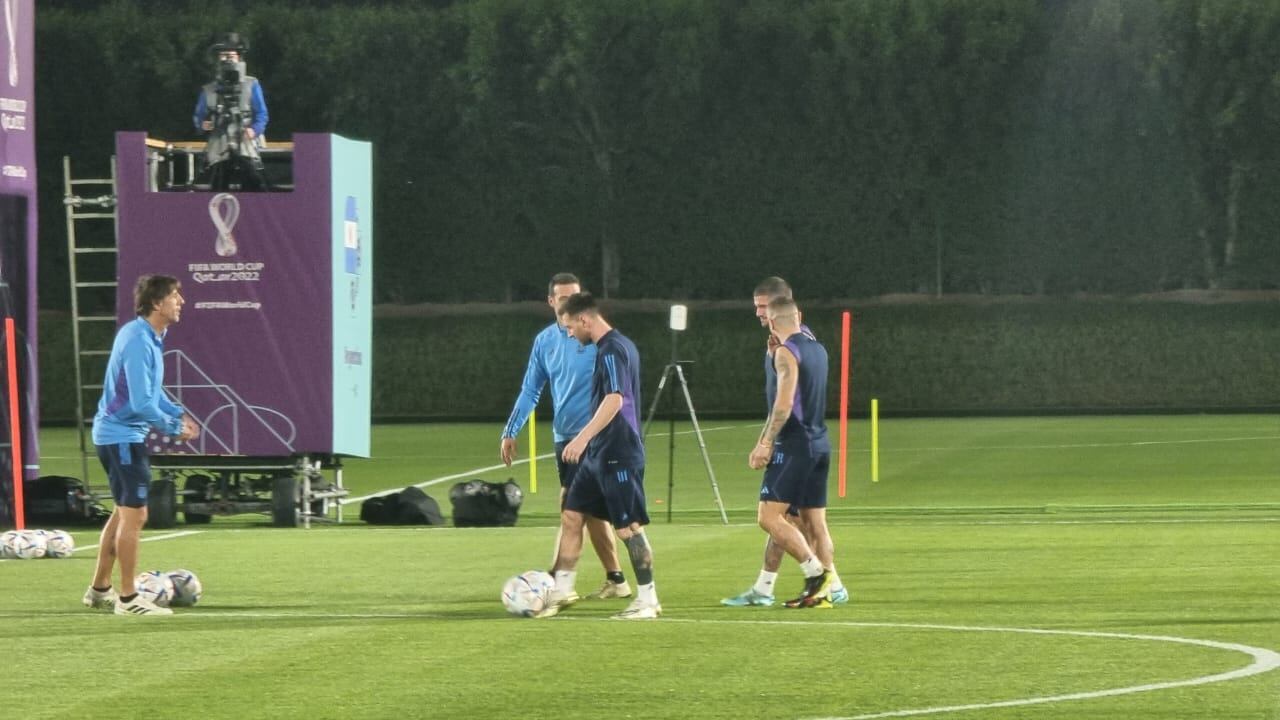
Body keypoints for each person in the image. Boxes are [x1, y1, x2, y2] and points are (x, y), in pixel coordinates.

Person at [500, 273, 630, 601]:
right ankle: (617, 580)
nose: (569, 302)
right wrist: (510, 430)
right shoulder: (545, 342)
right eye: (562, 298)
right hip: (565, 439)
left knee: (572, 508)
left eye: (574, 296)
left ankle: (557, 582)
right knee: (592, 513)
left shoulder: (598, 339)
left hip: (597, 438)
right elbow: (531, 388)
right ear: (551, 302)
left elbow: (618, 391)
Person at [722, 277, 848, 606]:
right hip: (819, 441)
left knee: (768, 517)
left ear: (778, 310)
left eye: (763, 308)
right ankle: (823, 590)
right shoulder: (814, 345)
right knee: (809, 521)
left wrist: (765, 442)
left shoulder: (786, 353)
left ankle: (818, 575)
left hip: (794, 444)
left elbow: (784, 404)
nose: (758, 314)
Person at [83, 275, 199, 616]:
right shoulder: (137, 340)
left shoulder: (148, 336)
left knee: (123, 513)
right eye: (175, 296)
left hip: (119, 435)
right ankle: (129, 598)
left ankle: (99, 589)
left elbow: (151, 394)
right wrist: (171, 427)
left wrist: (176, 413)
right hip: (121, 438)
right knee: (136, 516)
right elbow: (139, 402)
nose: (181, 301)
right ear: (156, 304)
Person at [539, 293, 660, 620]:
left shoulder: (612, 349)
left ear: (584, 320)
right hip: (599, 454)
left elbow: (615, 400)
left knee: (628, 528)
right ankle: (562, 590)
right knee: (572, 514)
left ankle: (648, 600)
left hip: (618, 452)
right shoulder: (615, 347)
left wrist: (581, 438)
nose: (569, 334)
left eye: (569, 327)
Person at [193, 32, 269, 191]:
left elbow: (262, 113)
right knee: (218, 181)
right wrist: (203, 125)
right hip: (219, 145)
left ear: (239, 57)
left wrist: (254, 130)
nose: (227, 59)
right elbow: (198, 117)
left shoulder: (251, 84)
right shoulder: (209, 89)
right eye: (223, 55)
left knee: (252, 178)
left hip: (245, 142)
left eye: (231, 55)